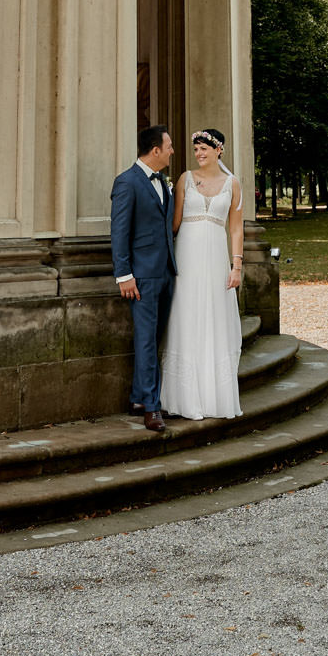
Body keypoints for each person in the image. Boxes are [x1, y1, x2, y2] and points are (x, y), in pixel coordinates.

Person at [160, 127, 244, 420]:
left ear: (218, 150)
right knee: (187, 316)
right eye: (196, 149)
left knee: (214, 317)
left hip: (215, 259)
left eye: (204, 149)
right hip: (188, 256)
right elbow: (175, 222)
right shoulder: (185, 179)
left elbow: (235, 227)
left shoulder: (232, 184)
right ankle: (183, 396)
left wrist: (237, 266)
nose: (199, 154)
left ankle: (213, 396)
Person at [110, 124, 176, 433]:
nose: (172, 151)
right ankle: (152, 408)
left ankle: (138, 397)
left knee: (155, 338)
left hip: (165, 273)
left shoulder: (163, 181)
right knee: (146, 341)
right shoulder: (127, 182)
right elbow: (119, 233)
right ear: (155, 151)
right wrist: (124, 275)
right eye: (169, 146)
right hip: (141, 277)